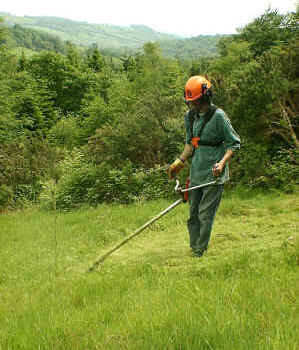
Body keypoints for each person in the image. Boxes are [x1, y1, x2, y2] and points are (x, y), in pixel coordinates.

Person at [167, 75, 241, 257]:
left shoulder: (219, 117)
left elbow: (234, 143)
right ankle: (194, 247)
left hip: (214, 174)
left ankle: (199, 252)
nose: (194, 106)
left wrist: (222, 163)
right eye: (191, 102)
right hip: (197, 172)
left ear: (206, 97)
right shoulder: (190, 117)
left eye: (197, 102)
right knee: (193, 214)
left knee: (205, 215)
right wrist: (180, 162)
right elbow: (191, 143)